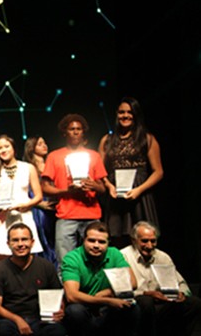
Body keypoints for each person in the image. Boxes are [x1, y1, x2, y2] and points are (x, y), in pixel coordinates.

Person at [61, 221, 140, 336]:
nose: (96, 245)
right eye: (92, 240)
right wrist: (108, 300)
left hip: (107, 306)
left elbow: (132, 282)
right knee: (74, 311)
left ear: (108, 243)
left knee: (133, 308)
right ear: (83, 240)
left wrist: (106, 293)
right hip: (84, 307)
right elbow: (72, 295)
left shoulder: (114, 254)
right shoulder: (72, 258)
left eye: (101, 242)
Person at [120, 221, 201, 336]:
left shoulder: (162, 256)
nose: (149, 245)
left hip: (161, 302)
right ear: (134, 240)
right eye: (144, 241)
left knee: (194, 303)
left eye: (153, 241)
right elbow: (120, 289)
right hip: (138, 302)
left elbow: (180, 282)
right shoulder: (123, 256)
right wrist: (145, 293)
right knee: (146, 302)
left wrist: (182, 293)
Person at [0, 223, 67, 336]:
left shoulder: (45, 266)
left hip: (40, 319)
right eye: (15, 240)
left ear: (32, 242)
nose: (20, 244)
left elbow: (57, 294)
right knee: (2, 329)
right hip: (11, 321)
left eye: (24, 239)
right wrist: (17, 320)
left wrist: (60, 309)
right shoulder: (0, 269)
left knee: (58, 331)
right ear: (8, 244)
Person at [41, 114, 107, 271]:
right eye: (72, 129)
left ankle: (92, 293)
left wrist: (93, 186)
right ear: (65, 132)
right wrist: (66, 191)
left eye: (79, 129)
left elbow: (103, 188)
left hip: (91, 215)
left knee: (95, 261)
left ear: (83, 132)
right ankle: (69, 293)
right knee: (65, 262)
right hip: (66, 215)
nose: (76, 132)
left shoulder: (94, 156)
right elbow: (45, 187)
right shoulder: (54, 156)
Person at [98, 97, 163, 248]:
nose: (125, 116)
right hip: (115, 195)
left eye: (129, 112)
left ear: (136, 115)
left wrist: (139, 190)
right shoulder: (107, 140)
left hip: (139, 194)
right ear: (116, 114)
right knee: (117, 238)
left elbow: (158, 172)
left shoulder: (147, 138)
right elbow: (99, 170)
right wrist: (109, 186)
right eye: (121, 112)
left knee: (143, 239)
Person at [0, 134, 43, 262]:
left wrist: (26, 205)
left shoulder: (28, 168)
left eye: (6, 146)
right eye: (0, 148)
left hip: (23, 216)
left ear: (14, 148)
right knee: (2, 259)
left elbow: (38, 196)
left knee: (26, 258)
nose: (3, 150)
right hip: (2, 219)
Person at [23, 135, 58, 268]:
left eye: (44, 143)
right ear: (32, 148)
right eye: (40, 144)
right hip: (38, 208)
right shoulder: (28, 167)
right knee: (42, 240)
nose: (44, 146)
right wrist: (39, 203)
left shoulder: (51, 164)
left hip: (54, 206)